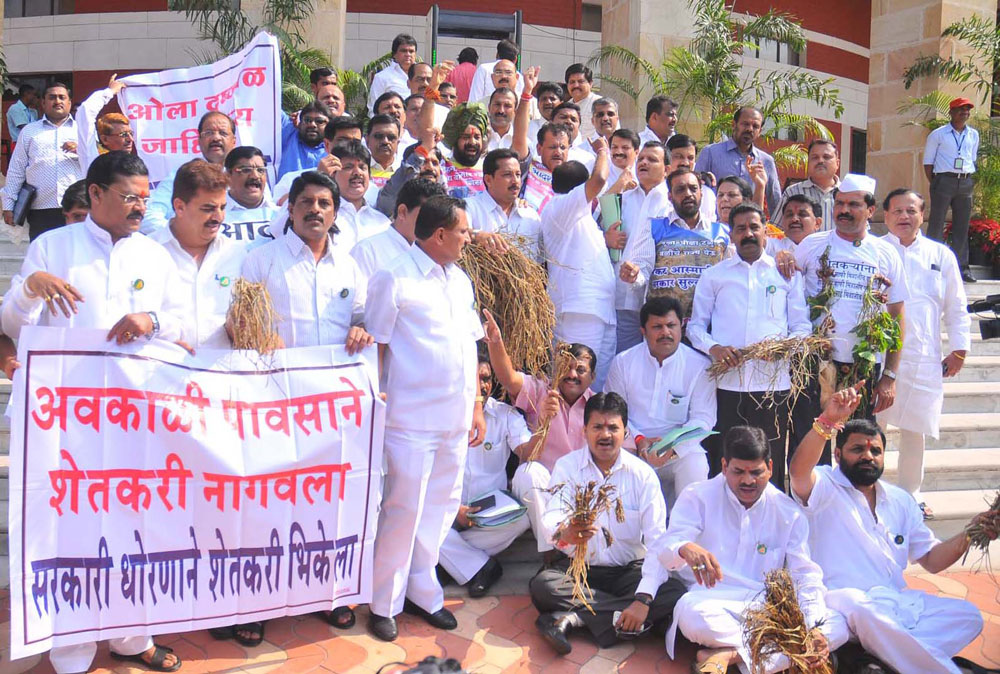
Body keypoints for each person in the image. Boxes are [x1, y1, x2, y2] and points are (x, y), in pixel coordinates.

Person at [2, 151, 185, 674]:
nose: (138, 207)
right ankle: (72, 650)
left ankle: (132, 637)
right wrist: (27, 289)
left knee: (136, 527)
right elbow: (11, 324)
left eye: (145, 198)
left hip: (133, 419)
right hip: (66, 423)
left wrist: (150, 318)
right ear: (97, 193)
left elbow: (180, 325)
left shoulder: (154, 254)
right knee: (70, 534)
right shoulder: (52, 247)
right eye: (129, 197)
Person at [789, 385, 998, 674]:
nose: (868, 456)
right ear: (837, 454)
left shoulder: (900, 500)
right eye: (858, 449)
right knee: (864, 611)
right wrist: (827, 421)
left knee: (968, 616)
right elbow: (798, 471)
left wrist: (972, 532)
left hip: (894, 604)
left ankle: (882, 658)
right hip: (843, 604)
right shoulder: (823, 486)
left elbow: (933, 560)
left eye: (876, 450)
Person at [365, 195, 486, 641]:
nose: (468, 238)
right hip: (409, 421)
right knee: (403, 509)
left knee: (438, 509)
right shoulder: (393, 278)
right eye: (464, 232)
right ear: (439, 235)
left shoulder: (459, 281)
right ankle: (385, 601)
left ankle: (423, 590)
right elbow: (376, 345)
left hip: (454, 420)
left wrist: (474, 406)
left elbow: (471, 347)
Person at [659, 425, 848, 674]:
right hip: (712, 602)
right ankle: (786, 655)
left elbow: (805, 575)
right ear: (724, 466)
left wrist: (813, 627)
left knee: (838, 624)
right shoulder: (698, 496)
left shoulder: (787, 512)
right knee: (692, 615)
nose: (748, 480)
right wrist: (685, 548)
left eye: (756, 472)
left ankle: (728, 655)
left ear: (770, 468)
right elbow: (665, 549)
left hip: (764, 608)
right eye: (738, 472)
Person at [530, 392, 687, 655]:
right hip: (577, 571)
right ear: (585, 431)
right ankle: (628, 619)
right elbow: (551, 518)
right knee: (543, 586)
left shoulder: (643, 475)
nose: (605, 435)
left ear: (625, 432)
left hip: (628, 572)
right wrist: (565, 532)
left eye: (613, 428)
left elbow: (658, 541)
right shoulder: (567, 467)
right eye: (597, 427)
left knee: (674, 592)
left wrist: (642, 598)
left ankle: (571, 619)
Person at [689, 202, 812, 484]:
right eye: (741, 228)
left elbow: (802, 326)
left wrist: (782, 348)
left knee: (770, 460)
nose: (748, 234)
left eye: (754, 227)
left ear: (765, 231)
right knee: (726, 460)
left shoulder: (786, 274)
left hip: (772, 385)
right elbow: (696, 327)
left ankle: (771, 523)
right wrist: (714, 348)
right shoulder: (714, 276)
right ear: (731, 235)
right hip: (727, 385)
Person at [878, 188, 970, 519]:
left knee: (916, 430)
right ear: (885, 215)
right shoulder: (874, 251)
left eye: (911, 210)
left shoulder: (940, 254)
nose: (904, 216)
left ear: (922, 215)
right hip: (879, 356)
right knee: (875, 428)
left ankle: (909, 495)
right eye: (897, 211)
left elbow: (956, 304)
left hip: (923, 356)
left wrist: (959, 348)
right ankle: (869, 491)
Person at [794, 173, 908, 420]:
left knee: (857, 442)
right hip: (815, 361)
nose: (844, 210)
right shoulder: (812, 245)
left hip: (864, 365)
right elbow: (786, 290)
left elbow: (897, 316)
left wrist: (889, 375)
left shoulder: (886, 253)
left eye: (853, 205)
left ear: (870, 210)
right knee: (810, 440)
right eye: (840, 204)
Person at [482, 309, 596, 556]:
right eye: (566, 367)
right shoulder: (539, 390)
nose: (572, 374)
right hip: (544, 491)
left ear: (593, 376)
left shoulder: (598, 406)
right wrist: (496, 342)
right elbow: (507, 377)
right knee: (527, 473)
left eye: (580, 370)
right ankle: (551, 552)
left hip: (580, 492)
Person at [437, 345, 532, 598]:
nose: (482, 385)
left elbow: (527, 452)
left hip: (490, 517)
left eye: (486, 378)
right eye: (475, 379)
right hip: (447, 513)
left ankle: (450, 564)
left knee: (524, 519)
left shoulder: (506, 416)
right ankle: (482, 567)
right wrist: (454, 510)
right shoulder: (440, 417)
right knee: (418, 524)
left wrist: (545, 423)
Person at [242, 169, 372, 351]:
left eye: (324, 203)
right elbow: (242, 321)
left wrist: (360, 330)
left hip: (339, 375)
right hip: (279, 373)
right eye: (307, 201)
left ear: (334, 215)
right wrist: (260, 336)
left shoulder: (348, 266)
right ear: (291, 210)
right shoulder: (260, 260)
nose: (315, 209)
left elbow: (360, 318)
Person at [604, 296, 715, 507]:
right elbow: (613, 413)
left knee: (696, 462)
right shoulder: (623, 363)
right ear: (643, 331)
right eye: (657, 327)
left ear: (681, 326)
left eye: (671, 325)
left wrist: (671, 447)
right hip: (633, 448)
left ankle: (686, 533)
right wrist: (639, 441)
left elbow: (703, 419)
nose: (665, 333)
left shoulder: (700, 366)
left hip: (678, 451)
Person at [542, 137, 616, 390]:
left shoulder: (581, 218)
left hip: (601, 310)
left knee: (596, 387)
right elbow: (600, 180)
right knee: (572, 384)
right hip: (578, 311)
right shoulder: (560, 207)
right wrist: (603, 150)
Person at [149, 159, 245, 349]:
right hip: (161, 371)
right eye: (208, 209)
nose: (218, 217)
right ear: (179, 207)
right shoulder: (147, 252)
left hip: (223, 372)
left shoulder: (236, 253)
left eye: (223, 207)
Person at [619, 167, 730, 317]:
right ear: (670, 197)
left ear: (701, 193)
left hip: (711, 323)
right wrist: (634, 275)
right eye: (680, 190)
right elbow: (642, 269)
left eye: (693, 188)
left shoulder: (722, 232)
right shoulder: (653, 227)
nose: (688, 194)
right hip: (663, 324)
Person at [606, 141, 670, 352]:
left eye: (652, 159)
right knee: (622, 360)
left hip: (656, 300)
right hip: (621, 296)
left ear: (667, 169)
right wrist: (607, 238)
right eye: (641, 158)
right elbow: (595, 228)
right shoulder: (623, 198)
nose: (643, 162)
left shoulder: (671, 203)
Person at [2, 81, 83, 240]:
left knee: (76, 259)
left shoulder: (83, 130)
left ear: (69, 102)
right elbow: (16, 170)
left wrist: (81, 150)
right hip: (41, 209)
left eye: (62, 97)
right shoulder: (29, 131)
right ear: (43, 103)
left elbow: (96, 163)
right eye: (52, 97)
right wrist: (8, 205)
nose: (57, 101)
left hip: (78, 208)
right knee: (43, 260)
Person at [142, 111, 237, 233]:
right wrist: (184, 236)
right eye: (208, 133)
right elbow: (149, 216)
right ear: (199, 140)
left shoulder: (247, 174)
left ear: (234, 141)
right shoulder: (183, 176)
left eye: (223, 133)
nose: (215, 138)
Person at [924, 97, 979, 283]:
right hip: (943, 180)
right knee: (937, 223)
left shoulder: (973, 135)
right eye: (961, 109)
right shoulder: (938, 134)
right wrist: (936, 182)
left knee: (962, 226)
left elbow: (972, 159)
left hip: (965, 182)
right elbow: (928, 163)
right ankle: (933, 264)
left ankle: (962, 267)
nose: (965, 113)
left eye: (967, 110)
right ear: (952, 112)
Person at [353, 177, 446, 279]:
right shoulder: (367, 251)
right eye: (427, 215)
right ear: (403, 212)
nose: (433, 223)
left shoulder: (440, 256)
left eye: (438, 217)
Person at [695, 106, 781, 216]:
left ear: (760, 131)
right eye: (745, 124)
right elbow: (697, 189)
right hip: (715, 228)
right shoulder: (710, 153)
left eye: (755, 126)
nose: (750, 129)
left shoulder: (766, 161)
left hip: (748, 228)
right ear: (734, 124)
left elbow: (776, 202)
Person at [423, 64, 489, 199]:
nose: (472, 142)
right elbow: (426, 132)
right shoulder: (440, 166)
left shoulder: (490, 169)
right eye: (465, 137)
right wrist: (433, 88)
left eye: (477, 137)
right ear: (454, 139)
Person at [465, 148, 542, 261]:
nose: (515, 181)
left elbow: (540, 262)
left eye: (518, 174)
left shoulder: (530, 215)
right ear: (488, 180)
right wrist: (477, 236)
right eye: (507, 175)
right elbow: (454, 234)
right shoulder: (470, 207)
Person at [328, 139, 391, 252]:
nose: (357, 173)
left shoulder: (382, 223)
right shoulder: (325, 217)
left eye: (362, 167)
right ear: (333, 174)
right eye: (348, 167)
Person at [775, 139, 840, 232]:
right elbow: (776, 230)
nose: (820, 161)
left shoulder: (848, 194)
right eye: (815, 157)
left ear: (837, 163)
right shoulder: (792, 192)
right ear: (808, 162)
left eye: (826, 157)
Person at [222, 146, 280, 245]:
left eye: (261, 170)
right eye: (246, 170)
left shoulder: (280, 215)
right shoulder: (215, 216)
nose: (255, 176)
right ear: (228, 176)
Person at [75, 74, 131, 172]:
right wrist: (110, 92)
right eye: (124, 134)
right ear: (105, 139)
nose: (130, 139)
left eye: (131, 133)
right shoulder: (94, 160)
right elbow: (85, 112)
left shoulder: (135, 166)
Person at [664, 134, 717, 225]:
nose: (685, 163)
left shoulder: (706, 193)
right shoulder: (657, 190)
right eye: (678, 156)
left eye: (690, 158)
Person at [367, 33, 418, 115]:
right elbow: (373, 109)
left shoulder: (424, 76)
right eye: (404, 51)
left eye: (411, 51)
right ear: (394, 54)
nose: (408, 54)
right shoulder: (382, 77)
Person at [278, 101, 331, 178]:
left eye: (319, 121)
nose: (312, 124)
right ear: (299, 122)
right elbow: (268, 105)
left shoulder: (334, 147)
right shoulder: (288, 133)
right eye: (307, 120)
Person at [366, 113, 402, 188]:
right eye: (379, 136)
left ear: (398, 142)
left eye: (391, 137)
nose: (385, 141)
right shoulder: (357, 169)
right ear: (367, 140)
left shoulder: (405, 171)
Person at [528, 81, 567, 151]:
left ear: (561, 104)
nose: (548, 102)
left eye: (552, 99)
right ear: (537, 104)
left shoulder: (568, 128)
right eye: (544, 99)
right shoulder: (528, 128)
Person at [564, 63, 600, 138]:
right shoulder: (565, 108)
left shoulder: (601, 104)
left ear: (590, 84)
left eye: (581, 81)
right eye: (572, 82)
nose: (576, 85)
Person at [485, 87, 518, 152]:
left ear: (515, 111)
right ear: (489, 108)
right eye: (497, 104)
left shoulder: (521, 142)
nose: (501, 111)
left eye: (507, 106)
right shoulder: (477, 139)